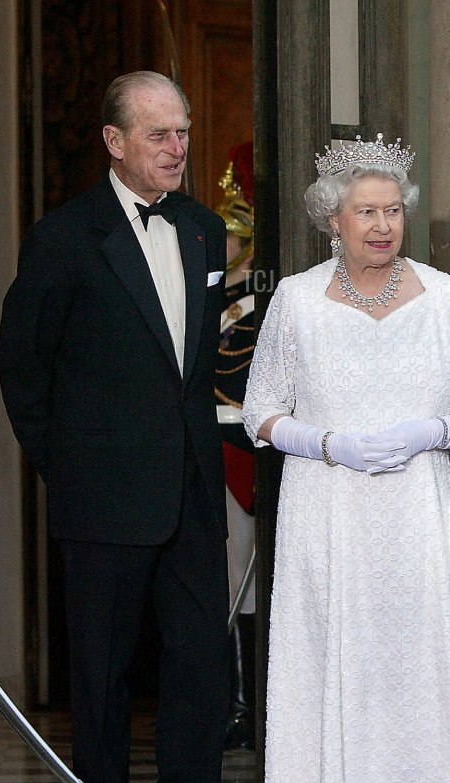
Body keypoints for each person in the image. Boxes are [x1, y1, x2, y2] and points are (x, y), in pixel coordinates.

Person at [0, 71, 249, 783]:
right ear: (113, 142)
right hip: (101, 498)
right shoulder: (64, 238)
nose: (178, 148)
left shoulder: (207, 230)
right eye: (158, 135)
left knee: (199, 675)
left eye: (181, 132)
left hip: (190, 494)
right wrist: (66, 466)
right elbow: (23, 366)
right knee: (101, 684)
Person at [242, 133, 450, 783]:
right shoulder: (295, 300)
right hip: (328, 513)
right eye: (366, 212)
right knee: (343, 671)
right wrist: (331, 443)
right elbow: (260, 413)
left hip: (413, 513)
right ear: (334, 219)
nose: (382, 226)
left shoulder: (448, 296)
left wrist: (433, 432)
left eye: (392, 210)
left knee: (411, 676)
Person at [213, 142, 258, 751]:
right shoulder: (213, 296)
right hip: (217, 448)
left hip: (264, 446)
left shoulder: (269, 296)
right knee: (229, 587)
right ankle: (234, 705)